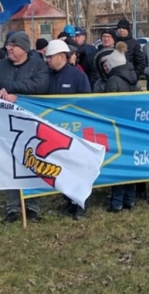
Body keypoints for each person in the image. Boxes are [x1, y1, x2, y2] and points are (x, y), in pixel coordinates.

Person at [0, 31, 50, 223]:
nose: (8, 49)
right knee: (10, 163)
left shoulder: (38, 66)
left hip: (30, 123)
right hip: (4, 123)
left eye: (12, 45)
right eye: (8, 46)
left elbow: (41, 85)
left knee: (32, 162)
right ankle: (12, 208)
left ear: (24, 48)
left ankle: (32, 206)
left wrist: (13, 90)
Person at [42, 39, 91, 219]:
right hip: (55, 130)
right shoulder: (46, 76)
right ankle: (69, 200)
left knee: (78, 168)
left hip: (75, 131)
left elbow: (86, 102)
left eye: (50, 57)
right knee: (62, 167)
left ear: (61, 56)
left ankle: (81, 204)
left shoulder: (77, 76)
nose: (47, 60)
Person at [100, 43, 141, 212]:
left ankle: (116, 202)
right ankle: (130, 199)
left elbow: (109, 106)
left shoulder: (113, 81)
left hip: (117, 127)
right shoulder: (134, 79)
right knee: (129, 162)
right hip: (132, 126)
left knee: (118, 163)